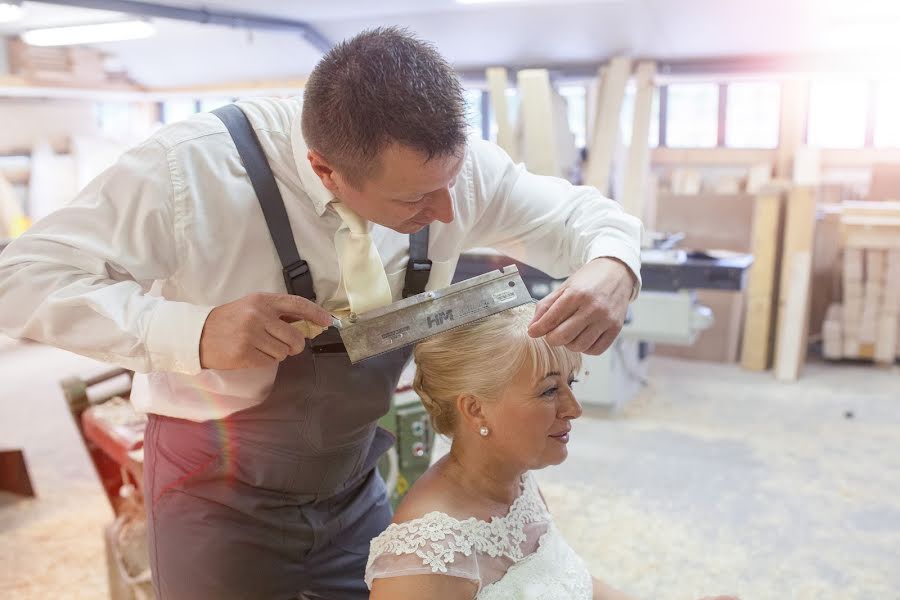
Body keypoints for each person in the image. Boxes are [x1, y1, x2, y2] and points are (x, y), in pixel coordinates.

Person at [0, 27, 641, 599]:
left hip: (350, 479)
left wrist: (614, 264)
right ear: (325, 170)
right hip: (213, 494)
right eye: (416, 199)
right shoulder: (187, 173)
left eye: (452, 182)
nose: (449, 214)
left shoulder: (454, 177)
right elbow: (20, 279)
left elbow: (585, 219)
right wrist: (191, 331)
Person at [367, 304, 738, 600]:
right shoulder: (425, 559)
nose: (574, 408)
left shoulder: (517, 482)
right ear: (475, 409)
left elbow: (562, 579)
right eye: (548, 391)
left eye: (570, 383)